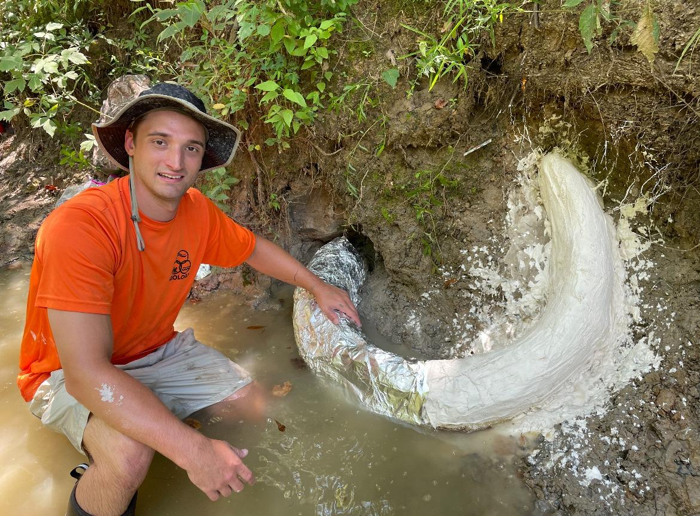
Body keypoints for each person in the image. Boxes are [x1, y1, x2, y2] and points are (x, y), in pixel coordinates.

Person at [17, 82, 361, 516]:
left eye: (191, 148)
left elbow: (252, 248)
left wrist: (316, 285)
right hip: (63, 370)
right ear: (130, 143)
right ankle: (108, 467)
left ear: (202, 158)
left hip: (157, 350)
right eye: (160, 142)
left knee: (252, 406)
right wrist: (193, 451)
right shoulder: (81, 227)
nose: (175, 162)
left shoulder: (196, 211)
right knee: (129, 455)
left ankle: (156, 425)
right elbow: (86, 374)